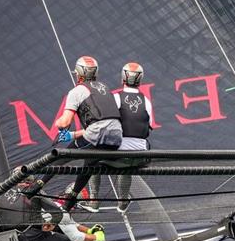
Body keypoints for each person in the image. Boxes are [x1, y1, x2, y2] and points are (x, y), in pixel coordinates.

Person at [34, 56, 123, 211]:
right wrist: (74, 134)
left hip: (97, 133)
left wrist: (58, 124)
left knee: (63, 155)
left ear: (80, 74)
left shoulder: (77, 91)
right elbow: (104, 121)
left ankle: (37, 185)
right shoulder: (105, 88)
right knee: (89, 162)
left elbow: (65, 122)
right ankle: (70, 201)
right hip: (116, 137)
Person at [112, 62, 153, 211]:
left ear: (123, 78)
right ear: (140, 80)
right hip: (140, 155)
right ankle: (123, 202)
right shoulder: (146, 101)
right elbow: (150, 126)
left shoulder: (116, 97)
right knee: (126, 167)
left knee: (91, 161)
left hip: (120, 154)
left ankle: (94, 201)